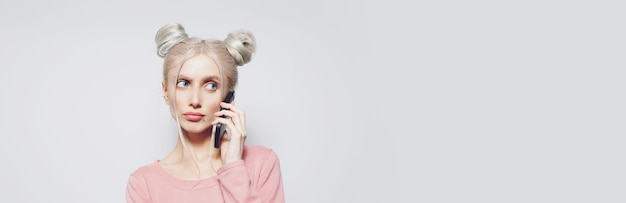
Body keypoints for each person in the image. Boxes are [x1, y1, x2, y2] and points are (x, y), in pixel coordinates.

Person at [125, 23, 285, 203]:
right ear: (165, 91)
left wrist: (233, 168)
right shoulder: (144, 183)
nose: (195, 100)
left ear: (228, 95)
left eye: (211, 86)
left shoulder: (261, 163)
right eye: (183, 83)